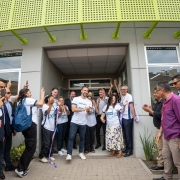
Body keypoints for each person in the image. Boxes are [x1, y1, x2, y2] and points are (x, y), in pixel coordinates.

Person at [15, 88, 45, 178]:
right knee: (31, 147)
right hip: (30, 126)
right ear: (26, 94)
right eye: (29, 92)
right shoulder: (27, 100)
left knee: (29, 146)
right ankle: (20, 168)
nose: (31, 94)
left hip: (26, 126)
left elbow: (40, 105)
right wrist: (42, 94)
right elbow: (40, 103)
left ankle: (24, 166)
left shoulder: (21, 101)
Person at [155, 82, 180, 180]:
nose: (156, 92)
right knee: (166, 157)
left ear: (162, 91)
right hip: (166, 135)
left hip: (175, 136)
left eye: (157, 90)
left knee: (178, 161)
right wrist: (160, 133)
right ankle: (167, 177)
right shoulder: (165, 102)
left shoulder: (176, 100)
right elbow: (163, 118)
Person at [66, 86, 92, 161]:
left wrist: (88, 111)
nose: (86, 92)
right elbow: (73, 109)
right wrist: (84, 109)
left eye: (87, 91)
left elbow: (90, 113)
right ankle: (69, 154)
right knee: (71, 137)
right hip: (74, 121)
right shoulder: (76, 99)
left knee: (82, 138)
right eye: (84, 90)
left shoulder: (89, 101)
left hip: (83, 123)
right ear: (81, 91)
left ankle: (81, 152)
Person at [142, 87, 164, 170]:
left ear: (161, 92)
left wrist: (150, 111)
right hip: (158, 128)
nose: (154, 94)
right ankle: (161, 164)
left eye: (156, 93)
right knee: (159, 147)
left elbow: (161, 116)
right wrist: (149, 110)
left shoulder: (163, 103)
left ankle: (162, 165)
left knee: (163, 148)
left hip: (162, 129)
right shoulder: (156, 103)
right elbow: (154, 114)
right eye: (154, 93)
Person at [39, 95, 56, 163]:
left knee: (52, 142)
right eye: (51, 99)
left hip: (52, 127)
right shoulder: (44, 106)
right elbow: (47, 112)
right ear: (48, 99)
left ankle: (49, 154)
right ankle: (41, 156)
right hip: (46, 127)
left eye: (53, 99)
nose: (53, 100)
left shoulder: (54, 106)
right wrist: (50, 105)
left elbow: (58, 113)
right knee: (46, 143)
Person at [120, 85, 136, 157]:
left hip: (128, 118)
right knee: (125, 135)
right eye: (122, 89)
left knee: (128, 135)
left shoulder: (129, 96)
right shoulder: (122, 97)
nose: (123, 91)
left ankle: (130, 150)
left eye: (124, 89)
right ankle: (127, 148)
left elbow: (131, 106)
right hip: (123, 118)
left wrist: (134, 116)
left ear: (127, 89)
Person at [3, 88, 16, 172]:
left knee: (7, 148)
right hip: (3, 129)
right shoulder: (1, 104)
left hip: (9, 128)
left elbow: (11, 117)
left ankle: (8, 165)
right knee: (2, 149)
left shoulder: (10, 103)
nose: (10, 94)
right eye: (8, 93)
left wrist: (13, 129)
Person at [0, 97, 5, 179]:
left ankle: (0, 171)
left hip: (0, 135)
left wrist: (3, 134)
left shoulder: (1, 110)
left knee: (0, 154)